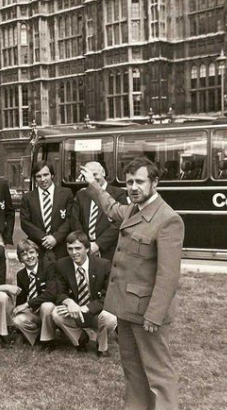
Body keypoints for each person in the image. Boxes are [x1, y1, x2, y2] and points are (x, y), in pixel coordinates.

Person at [81, 157, 184, 410]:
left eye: (140, 181)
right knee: (133, 369)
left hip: (148, 314)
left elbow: (168, 275)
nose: (133, 187)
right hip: (125, 309)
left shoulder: (168, 219)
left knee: (158, 373)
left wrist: (155, 315)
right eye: (129, 182)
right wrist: (93, 185)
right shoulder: (132, 210)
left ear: (155, 182)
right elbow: (110, 206)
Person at [52, 231, 117, 357]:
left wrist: (85, 308)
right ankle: (80, 338)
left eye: (78, 248)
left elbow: (109, 296)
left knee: (110, 317)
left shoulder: (103, 265)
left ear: (87, 248)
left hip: (96, 312)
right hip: (74, 313)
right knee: (56, 314)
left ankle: (102, 345)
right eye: (70, 249)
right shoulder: (62, 265)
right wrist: (69, 302)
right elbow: (59, 293)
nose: (74, 252)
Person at [71, 161, 128, 260]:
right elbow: (75, 221)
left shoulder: (118, 193)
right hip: (85, 250)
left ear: (104, 173)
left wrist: (98, 244)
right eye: (89, 175)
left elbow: (121, 222)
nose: (92, 179)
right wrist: (84, 244)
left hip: (109, 250)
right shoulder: (81, 195)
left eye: (95, 174)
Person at [20, 160, 74, 261]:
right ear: (35, 178)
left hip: (61, 247)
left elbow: (70, 219)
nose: (43, 179)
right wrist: (44, 239)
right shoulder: (28, 197)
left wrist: (55, 238)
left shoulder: (66, 194)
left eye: (46, 175)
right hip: (38, 247)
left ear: (52, 175)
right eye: (38, 176)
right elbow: (25, 222)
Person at [11, 239, 57, 350]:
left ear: (37, 253)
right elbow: (21, 299)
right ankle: (36, 336)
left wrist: (27, 304)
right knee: (17, 319)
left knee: (47, 306)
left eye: (31, 252)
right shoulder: (21, 274)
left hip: (51, 311)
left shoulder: (48, 267)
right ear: (20, 259)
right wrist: (17, 310)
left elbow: (51, 293)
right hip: (34, 311)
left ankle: (48, 341)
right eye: (24, 254)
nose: (29, 256)